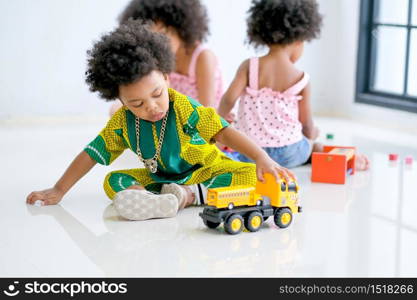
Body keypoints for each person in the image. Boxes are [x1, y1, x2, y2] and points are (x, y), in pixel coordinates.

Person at [26, 21, 294, 221]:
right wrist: (59, 189)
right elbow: (91, 154)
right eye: (137, 104)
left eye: (157, 94)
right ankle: (147, 197)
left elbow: (224, 132)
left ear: (166, 78)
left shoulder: (184, 106)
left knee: (249, 175)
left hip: (206, 172)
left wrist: (260, 156)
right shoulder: (121, 122)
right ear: (119, 101)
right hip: (160, 179)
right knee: (113, 181)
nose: (152, 107)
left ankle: (189, 195)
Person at [218, 0, 369, 170]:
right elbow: (306, 124)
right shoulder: (301, 78)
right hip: (290, 154)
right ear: (299, 39)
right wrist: (312, 136)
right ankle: (345, 162)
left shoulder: (249, 66)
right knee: (315, 146)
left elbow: (228, 99)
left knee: (228, 150)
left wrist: (219, 120)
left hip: (250, 154)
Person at [109, 0, 223, 116]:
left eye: (164, 32)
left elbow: (208, 110)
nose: (160, 41)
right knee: (116, 109)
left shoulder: (202, 57)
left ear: (180, 29)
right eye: (152, 36)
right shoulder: (155, 60)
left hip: (202, 121)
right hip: (174, 119)